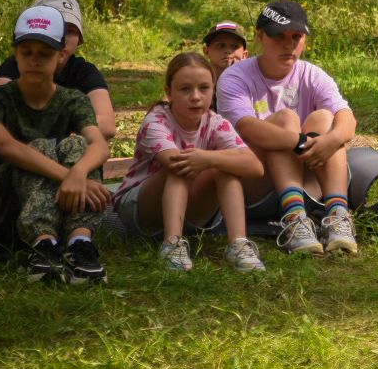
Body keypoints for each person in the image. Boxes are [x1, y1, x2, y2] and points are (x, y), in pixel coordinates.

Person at [0, 5, 113, 284]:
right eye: (26, 53)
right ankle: (43, 246)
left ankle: (78, 243)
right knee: (38, 147)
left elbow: (100, 144)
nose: (34, 61)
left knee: (79, 148)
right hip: (0, 206)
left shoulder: (73, 99)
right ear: (15, 53)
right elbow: (7, 147)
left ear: (61, 55)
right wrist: (69, 176)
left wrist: (78, 172)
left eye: (44, 54)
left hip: (57, 202)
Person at [216, 0, 358, 257]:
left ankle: (338, 216)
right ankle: (295, 220)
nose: (288, 44)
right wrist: (300, 142)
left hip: (307, 177)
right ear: (260, 36)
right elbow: (246, 128)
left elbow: (347, 120)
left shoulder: (313, 74)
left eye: (296, 36)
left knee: (326, 119)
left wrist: (330, 140)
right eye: (278, 36)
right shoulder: (235, 77)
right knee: (285, 120)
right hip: (255, 183)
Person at [114, 53, 267, 273]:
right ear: (169, 93)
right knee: (181, 164)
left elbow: (255, 166)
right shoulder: (156, 121)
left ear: (213, 90)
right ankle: (172, 245)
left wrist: (211, 158)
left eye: (204, 88)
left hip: (190, 212)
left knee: (225, 165)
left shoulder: (216, 122)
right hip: (140, 210)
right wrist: (207, 159)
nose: (195, 97)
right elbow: (177, 162)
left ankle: (238, 244)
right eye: (185, 89)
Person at [0, 0, 116, 140]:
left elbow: (107, 125)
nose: (63, 38)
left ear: (80, 39)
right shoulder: (15, 66)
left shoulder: (83, 71)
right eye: (56, 29)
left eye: (70, 31)